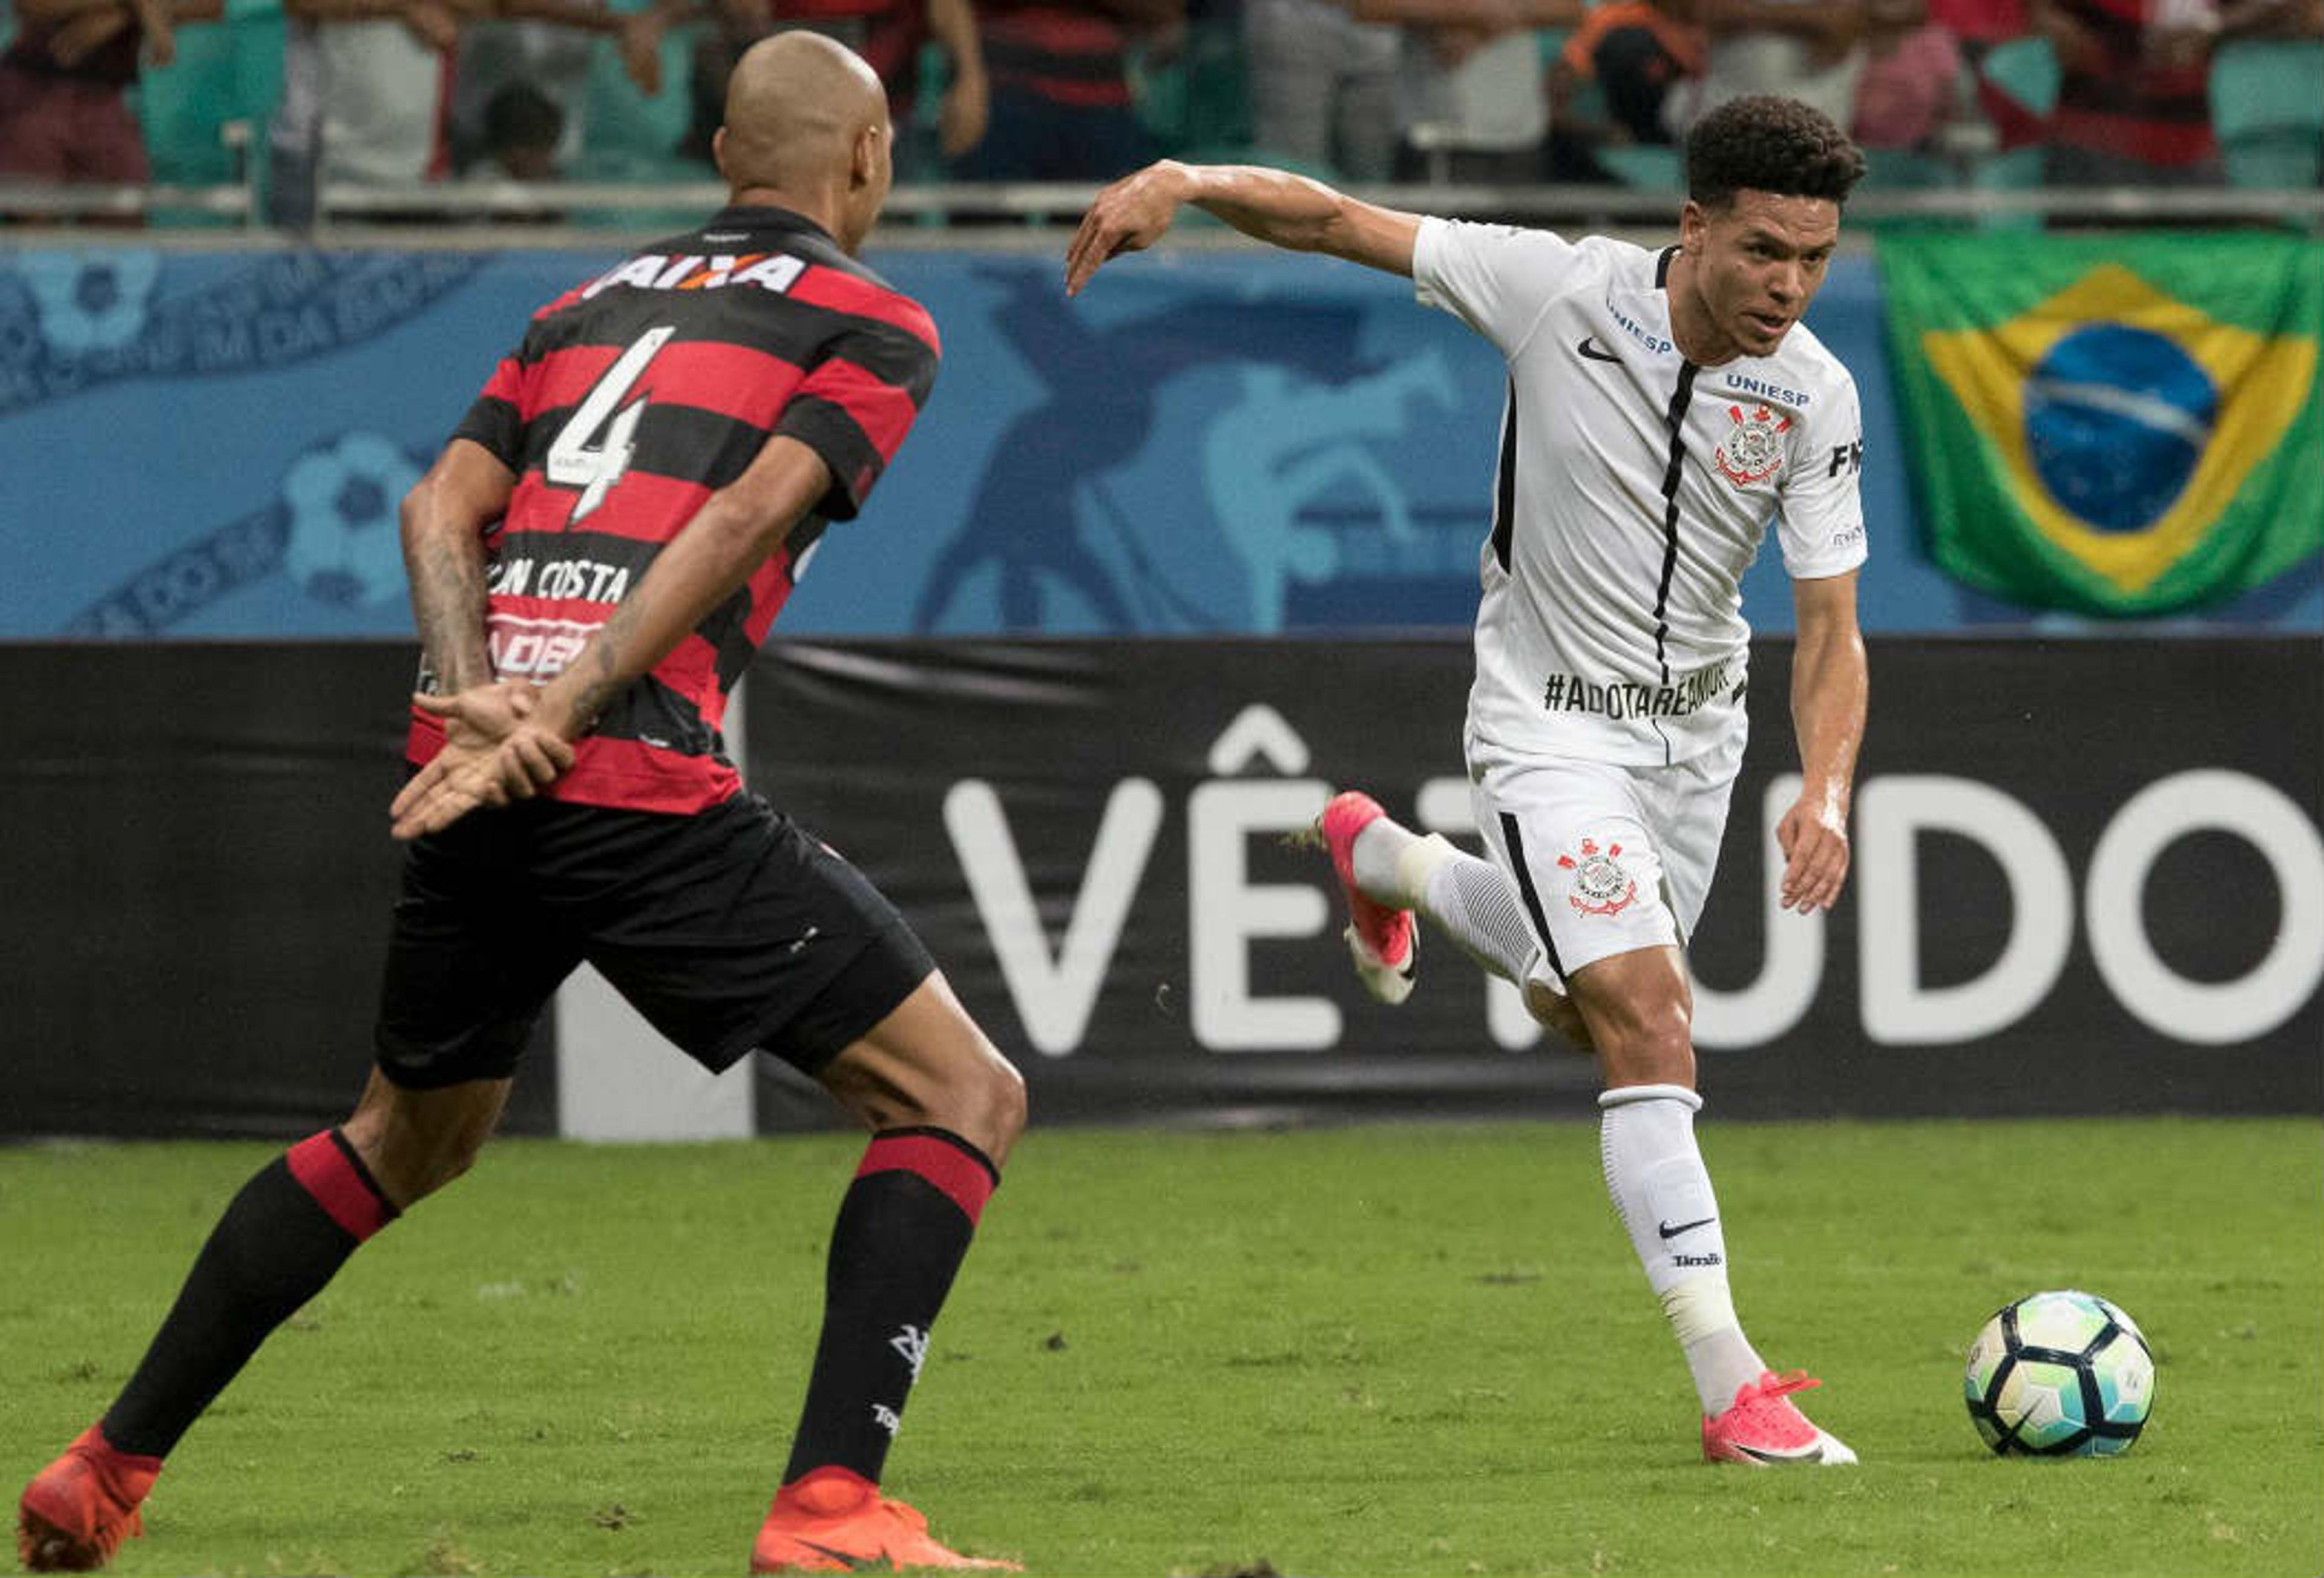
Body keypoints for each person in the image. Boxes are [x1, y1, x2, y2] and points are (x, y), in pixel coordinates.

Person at [18, 31, 1026, 1576]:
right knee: (957, 1095)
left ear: (716, 164)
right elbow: (749, 503)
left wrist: (471, 691)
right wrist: (553, 712)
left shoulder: (577, 308)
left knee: (400, 1137)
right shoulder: (875, 324)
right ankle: (832, 1509)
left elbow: (439, 507)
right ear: (869, 164)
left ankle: (100, 1469)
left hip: (464, 767)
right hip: (621, 771)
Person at [1066, 93, 1869, 1466]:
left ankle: (1390, 861)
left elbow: (1831, 633)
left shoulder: (1812, 392)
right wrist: (1185, 179)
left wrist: (1824, 789)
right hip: (1543, 725)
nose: (1785, 286)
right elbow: (1329, 220)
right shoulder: (1554, 290)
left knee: (1578, 1007)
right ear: (1689, 227)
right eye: (1759, 251)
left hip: (1698, 736)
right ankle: (1734, 1387)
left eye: (1812, 256)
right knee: (1647, 1024)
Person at [0, 0, 222, 194]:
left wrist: (120, 16)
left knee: (124, 211)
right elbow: (31, 5)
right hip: (36, 92)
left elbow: (213, 7)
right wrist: (138, 6)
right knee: (36, 217)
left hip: (107, 99)